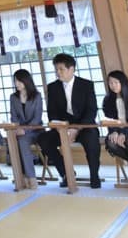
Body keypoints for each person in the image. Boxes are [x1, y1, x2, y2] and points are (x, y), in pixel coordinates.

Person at [36, 53, 101, 188]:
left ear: (71, 69)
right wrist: (62, 129)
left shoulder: (86, 85)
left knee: (92, 139)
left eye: (61, 69)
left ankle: (94, 175)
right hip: (63, 128)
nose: (58, 73)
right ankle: (67, 173)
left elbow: (91, 111)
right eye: (56, 70)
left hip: (83, 127)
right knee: (44, 140)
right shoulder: (53, 87)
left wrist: (76, 129)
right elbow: (52, 113)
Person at [9, 69, 43, 187]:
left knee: (22, 140)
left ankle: (31, 177)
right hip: (19, 131)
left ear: (26, 81)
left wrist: (24, 130)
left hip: (35, 131)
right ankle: (20, 177)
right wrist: (17, 129)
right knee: (13, 140)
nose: (16, 84)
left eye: (19, 81)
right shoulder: (13, 97)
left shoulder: (36, 96)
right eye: (15, 81)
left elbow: (37, 119)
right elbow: (13, 117)